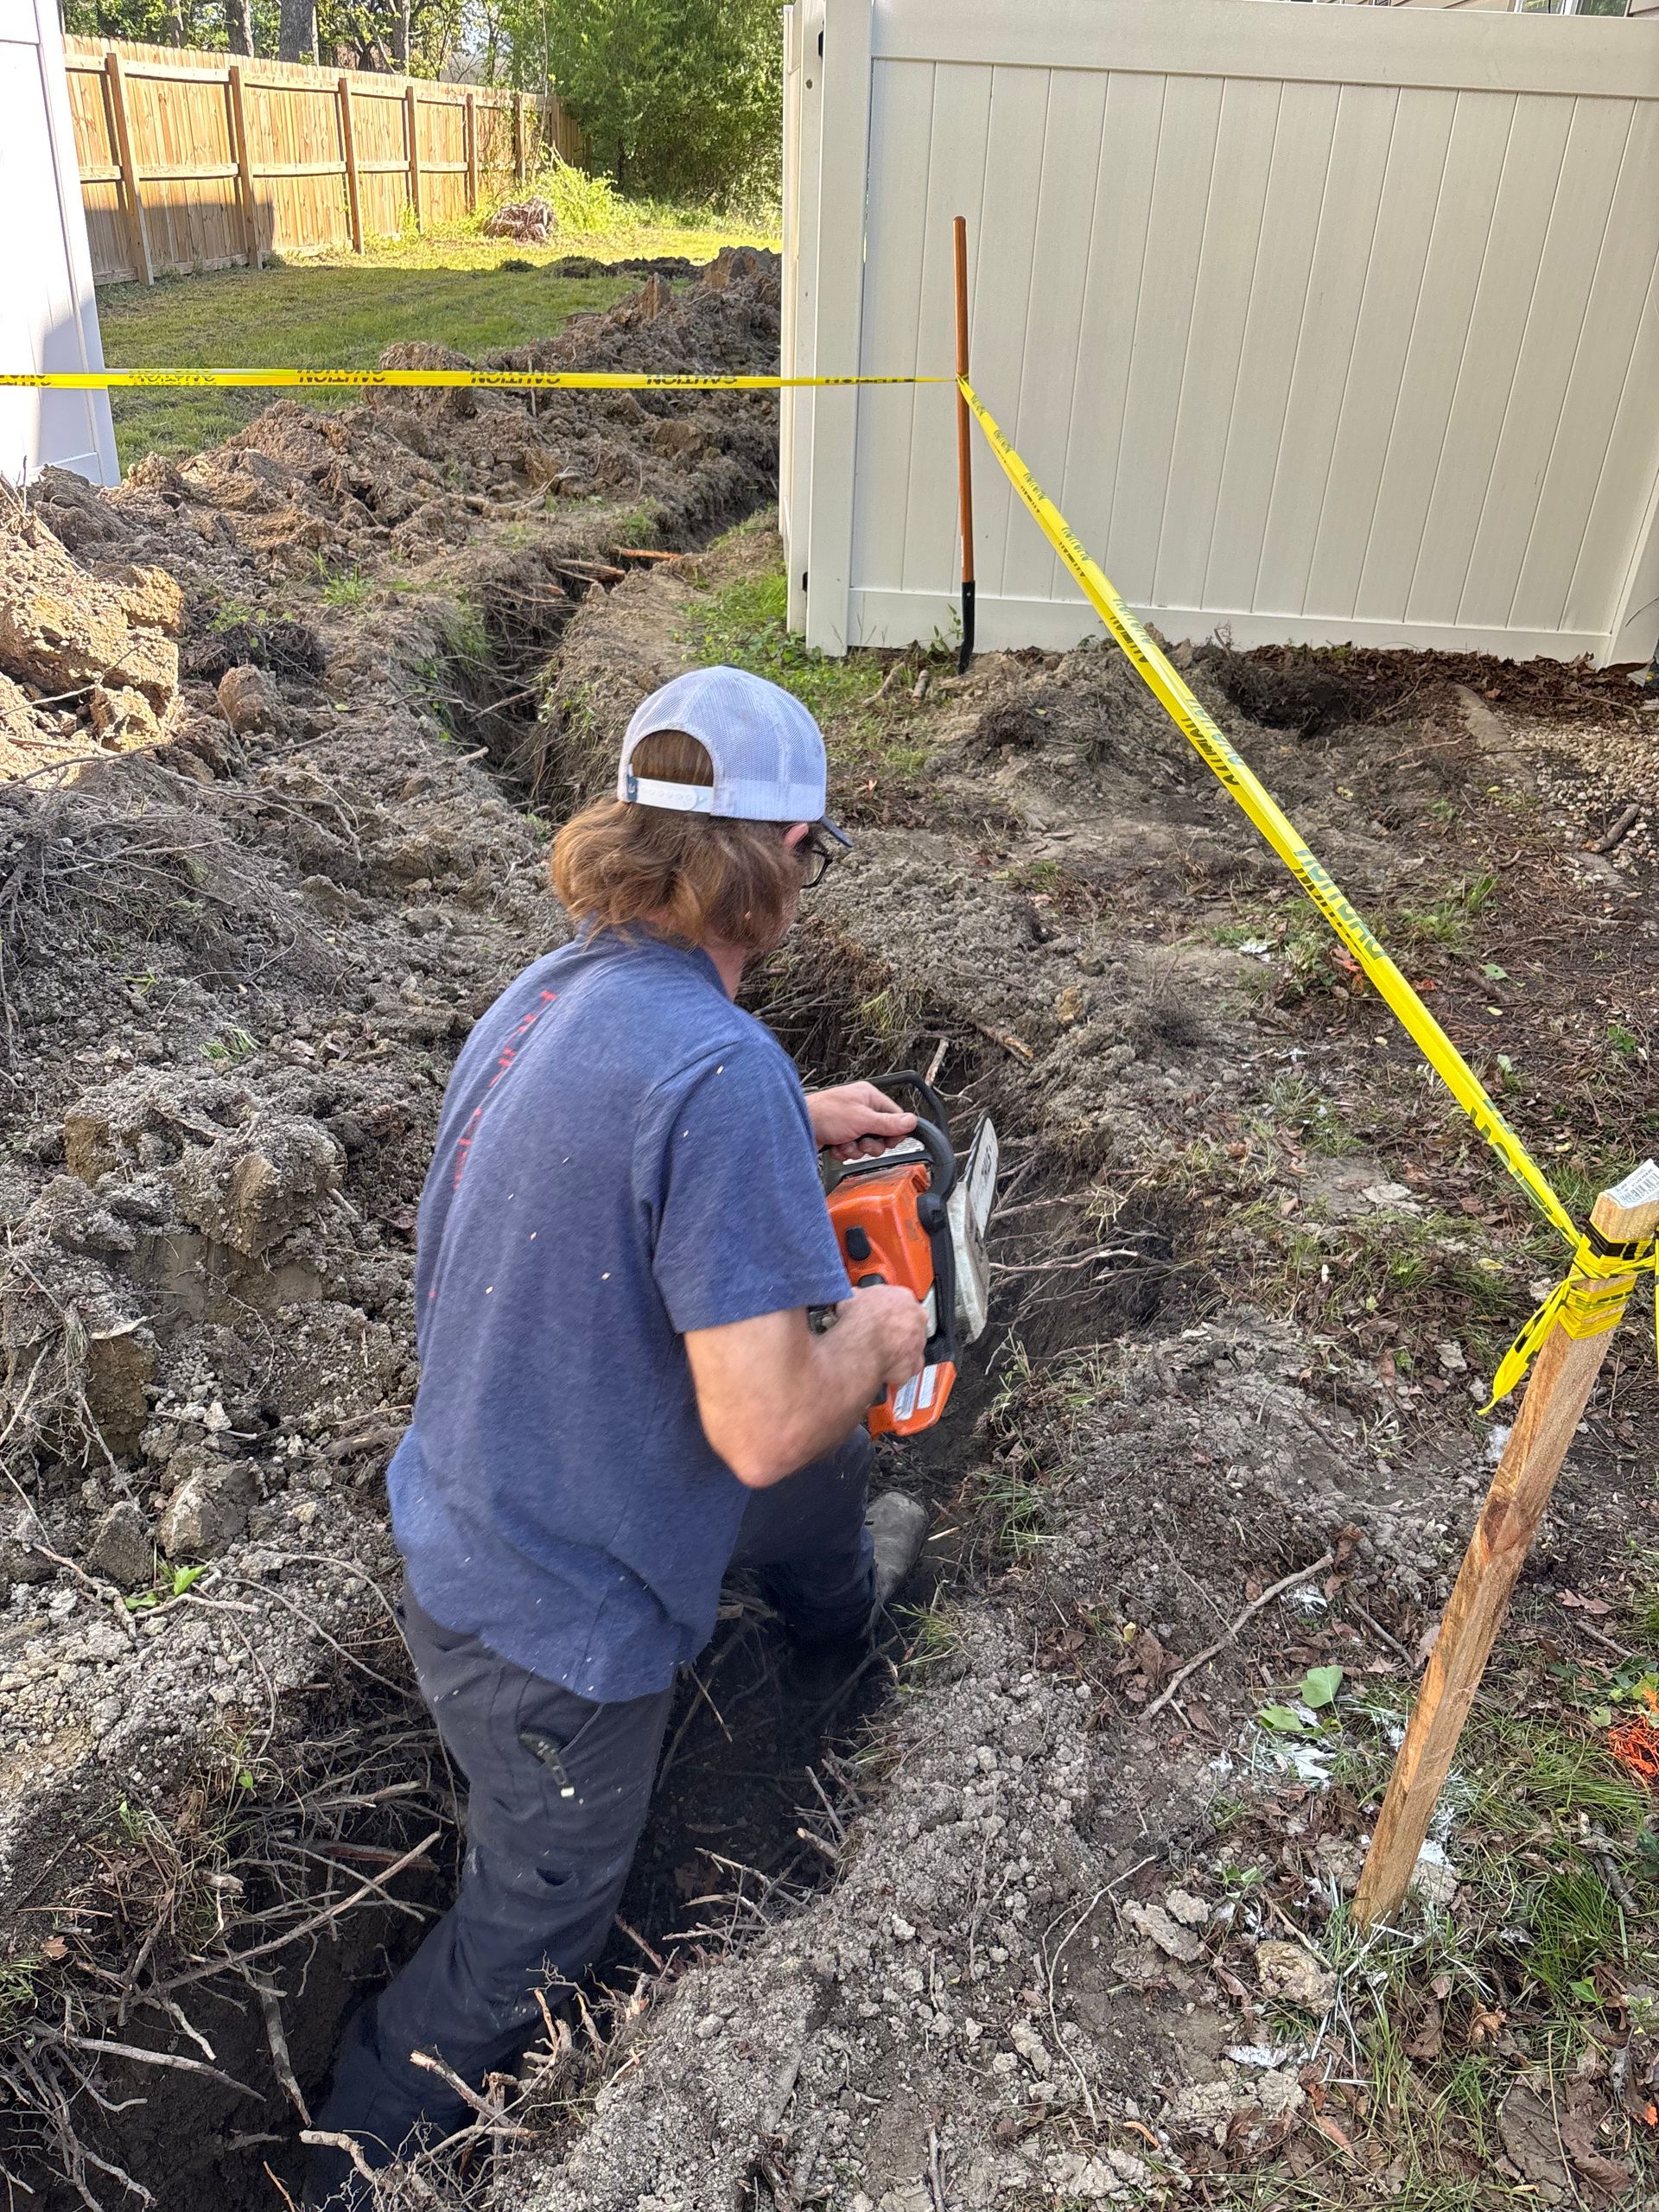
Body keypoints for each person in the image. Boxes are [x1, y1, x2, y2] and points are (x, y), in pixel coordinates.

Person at [307, 667, 932, 2203]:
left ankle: (834, 1633)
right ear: (779, 859)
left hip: (477, 1502)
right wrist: (884, 1333)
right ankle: (338, 2169)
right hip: (553, 1634)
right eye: (813, 853)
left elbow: (623, 1128)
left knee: (827, 1501)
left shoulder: (559, 991)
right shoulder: (712, 1070)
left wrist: (791, 1113)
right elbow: (770, 1419)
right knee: (530, 1945)